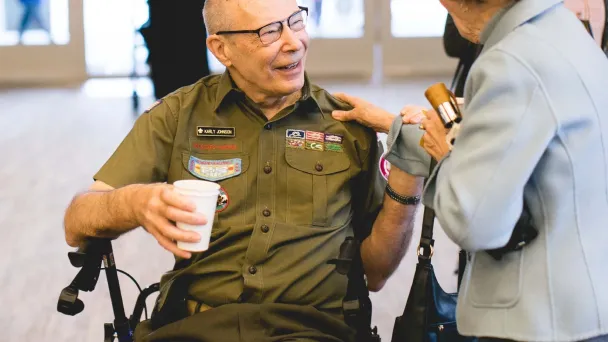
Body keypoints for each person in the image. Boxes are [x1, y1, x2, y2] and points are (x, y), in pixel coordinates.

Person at [63, 0, 424, 341]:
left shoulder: (346, 125)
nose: (293, 42)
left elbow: (375, 273)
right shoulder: (177, 116)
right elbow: (77, 220)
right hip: (195, 326)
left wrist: (406, 185)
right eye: (269, 31)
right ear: (222, 49)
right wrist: (135, 202)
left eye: (296, 21)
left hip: (312, 328)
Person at [332, 0, 608, 341]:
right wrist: (394, 125)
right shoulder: (563, 32)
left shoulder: (511, 64)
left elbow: (474, 222)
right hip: (584, 301)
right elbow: (523, 140)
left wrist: (447, 156)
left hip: (541, 320)